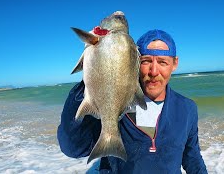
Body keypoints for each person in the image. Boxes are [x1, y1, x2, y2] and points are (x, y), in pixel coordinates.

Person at [57, 29, 207, 173]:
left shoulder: (187, 108)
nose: (154, 72)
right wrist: (95, 69)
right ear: (134, 61)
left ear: (175, 64)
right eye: (146, 61)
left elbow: (192, 157)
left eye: (162, 62)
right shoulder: (114, 104)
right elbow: (73, 148)